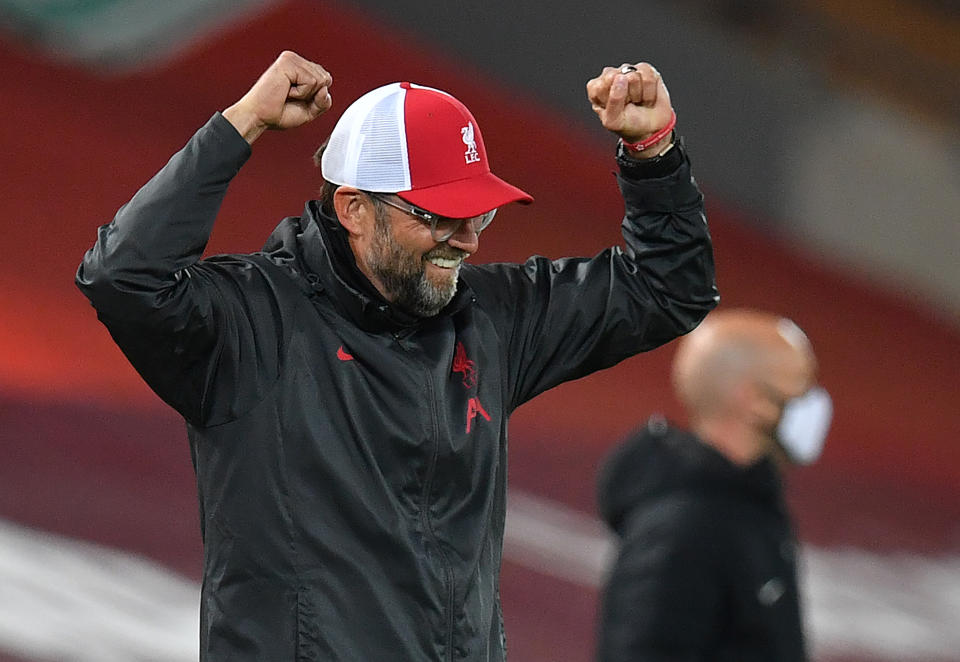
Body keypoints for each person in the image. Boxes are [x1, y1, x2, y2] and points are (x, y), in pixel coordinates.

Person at [76, 50, 717, 660]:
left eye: (479, 215)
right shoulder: (250, 321)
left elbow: (668, 288)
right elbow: (123, 278)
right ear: (355, 209)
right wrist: (241, 123)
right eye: (440, 216)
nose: (466, 240)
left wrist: (651, 152)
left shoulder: (492, 317)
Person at [595, 309, 833, 662]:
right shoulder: (680, 531)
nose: (814, 403)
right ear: (753, 400)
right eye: (801, 384)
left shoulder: (752, 506)